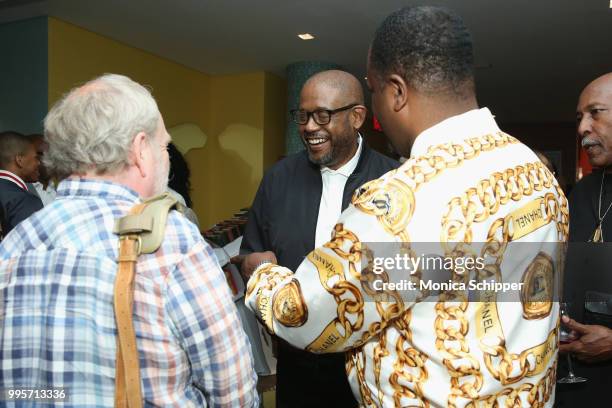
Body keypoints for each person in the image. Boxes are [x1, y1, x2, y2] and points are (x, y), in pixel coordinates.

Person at [245, 6, 567, 407]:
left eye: (375, 91)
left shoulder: (402, 203)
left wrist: (261, 273)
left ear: (396, 92)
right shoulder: (537, 174)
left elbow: (299, 312)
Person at [0, 74, 258, 407]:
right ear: (139, 149)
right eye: (163, 145)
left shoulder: (17, 243)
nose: (166, 156)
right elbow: (231, 388)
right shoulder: (169, 238)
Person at [240, 69, 398, 407]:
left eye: (322, 115)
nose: (309, 127)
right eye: (303, 116)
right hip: (297, 367)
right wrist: (254, 269)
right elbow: (250, 255)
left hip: (369, 368)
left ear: (357, 117)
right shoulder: (278, 179)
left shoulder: (393, 183)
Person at [555, 72, 612, 407]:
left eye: (596, 113)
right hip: (578, 384)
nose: (581, 129)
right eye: (579, 117)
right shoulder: (584, 192)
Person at [0, 130, 43, 234]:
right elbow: (32, 247)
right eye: (36, 158)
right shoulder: (23, 200)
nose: (39, 163)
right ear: (19, 160)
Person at [27, 133, 57, 206]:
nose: (51, 159)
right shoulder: (21, 190)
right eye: (43, 153)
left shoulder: (59, 185)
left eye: (52, 154)